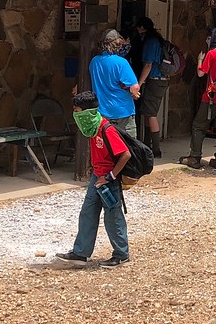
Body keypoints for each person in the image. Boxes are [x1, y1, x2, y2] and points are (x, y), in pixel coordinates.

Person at [56, 91, 131, 268]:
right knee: (87, 212)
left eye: (77, 111)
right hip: (97, 177)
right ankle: (81, 253)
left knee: (113, 217)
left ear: (88, 112)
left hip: (108, 180)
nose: (76, 116)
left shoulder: (106, 129)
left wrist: (110, 176)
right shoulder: (92, 127)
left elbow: (125, 154)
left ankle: (121, 254)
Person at [180, 28, 216, 170]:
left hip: (210, 97)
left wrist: (199, 60)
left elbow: (200, 73)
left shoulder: (212, 54)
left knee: (198, 126)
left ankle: (195, 156)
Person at [89, 29, 141, 139]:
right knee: (129, 147)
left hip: (103, 112)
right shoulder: (121, 62)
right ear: (117, 44)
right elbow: (134, 87)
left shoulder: (94, 62)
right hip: (123, 111)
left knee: (107, 147)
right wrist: (134, 93)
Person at [133, 16, 168, 158]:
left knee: (151, 114)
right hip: (161, 80)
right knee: (148, 112)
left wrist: (139, 84)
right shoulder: (158, 40)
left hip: (154, 80)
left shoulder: (150, 42)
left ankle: (156, 149)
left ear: (142, 28)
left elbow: (148, 65)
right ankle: (147, 145)